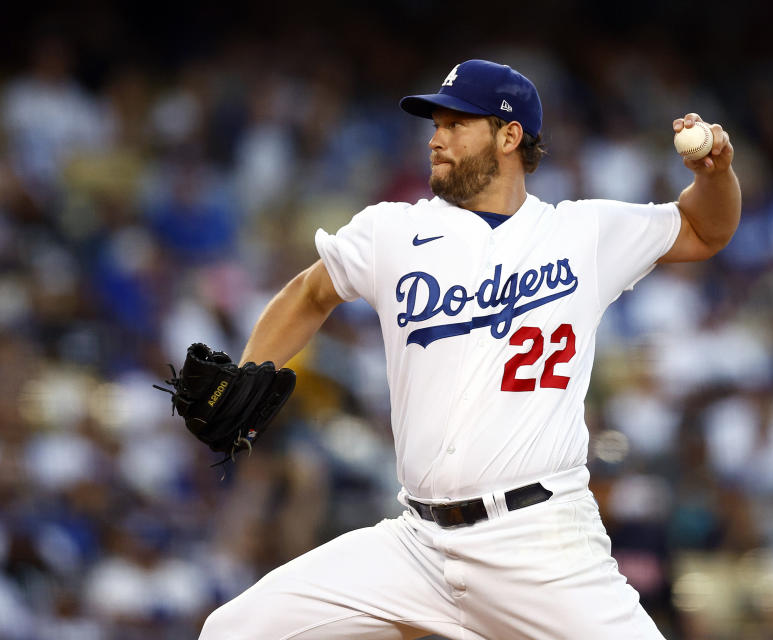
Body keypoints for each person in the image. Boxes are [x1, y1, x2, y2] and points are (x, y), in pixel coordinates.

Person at [199, 59, 740, 640]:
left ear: (510, 136)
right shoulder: (392, 232)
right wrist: (249, 369)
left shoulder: (581, 233)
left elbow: (705, 230)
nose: (436, 138)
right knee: (232, 632)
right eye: (436, 124)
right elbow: (309, 293)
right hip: (417, 546)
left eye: (457, 124)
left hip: (540, 544)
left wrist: (715, 175)